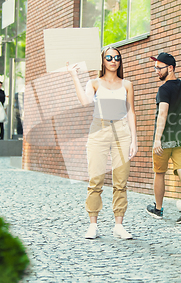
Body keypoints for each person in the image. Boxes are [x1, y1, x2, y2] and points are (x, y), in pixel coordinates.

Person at [68, 47, 138, 240]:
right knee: (95, 179)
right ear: (103, 61)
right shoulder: (94, 83)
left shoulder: (127, 84)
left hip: (122, 132)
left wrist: (134, 139)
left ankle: (119, 225)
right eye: (109, 57)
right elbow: (84, 101)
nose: (113, 60)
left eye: (116, 57)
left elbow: (131, 111)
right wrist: (74, 76)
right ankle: (93, 225)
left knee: (120, 181)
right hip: (99, 131)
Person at [146, 52, 181, 224]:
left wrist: (157, 139)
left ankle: (158, 209)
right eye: (155, 68)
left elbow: (163, 114)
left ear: (171, 68)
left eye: (159, 68)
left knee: (159, 173)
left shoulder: (164, 89)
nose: (156, 71)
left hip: (165, 138)